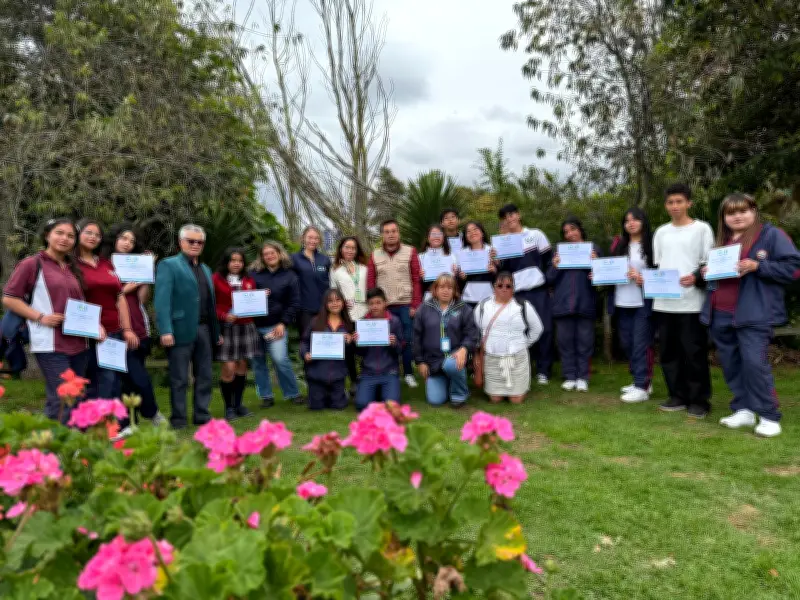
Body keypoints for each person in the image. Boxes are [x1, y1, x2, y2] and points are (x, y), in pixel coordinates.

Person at [701, 193, 800, 438]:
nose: (737, 216)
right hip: (721, 313)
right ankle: (743, 409)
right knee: (732, 364)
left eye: (743, 210)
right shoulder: (721, 241)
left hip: (754, 313)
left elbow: (794, 269)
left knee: (754, 363)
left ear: (754, 212)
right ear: (723, 218)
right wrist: (706, 272)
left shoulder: (771, 235)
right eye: (731, 213)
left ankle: (768, 415)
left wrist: (758, 266)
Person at [2, 218, 90, 423]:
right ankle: (51, 448)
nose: (65, 239)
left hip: (79, 343)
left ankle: (69, 447)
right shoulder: (32, 264)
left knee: (74, 396)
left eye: (70, 236)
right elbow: (9, 298)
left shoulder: (72, 267)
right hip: (50, 343)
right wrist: (41, 317)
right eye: (59, 233)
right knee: (61, 397)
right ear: (47, 235)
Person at [653, 183, 714, 418]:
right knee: (669, 352)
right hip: (664, 301)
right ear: (666, 205)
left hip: (691, 302)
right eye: (670, 202)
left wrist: (696, 277)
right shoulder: (661, 232)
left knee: (693, 352)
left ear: (689, 203)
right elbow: (659, 265)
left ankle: (699, 400)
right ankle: (677, 395)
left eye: (679, 201)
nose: (675, 206)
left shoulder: (702, 229)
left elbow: (708, 263)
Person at [154, 224, 222, 429]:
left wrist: (216, 332)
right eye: (191, 241)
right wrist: (165, 330)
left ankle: (202, 414)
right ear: (180, 242)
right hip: (179, 329)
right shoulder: (169, 265)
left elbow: (211, 304)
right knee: (179, 377)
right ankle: (179, 418)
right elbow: (162, 301)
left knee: (205, 376)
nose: (195, 245)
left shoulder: (206, 269)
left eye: (199, 242)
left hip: (204, 330)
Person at [99, 223, 163, 436]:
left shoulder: (136, 265)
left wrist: (146, 272)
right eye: (124, 238)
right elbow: (107, 295)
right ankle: (139, 418)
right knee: (120, 378)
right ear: (115, 239)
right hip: (112, 327)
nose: (127, 243)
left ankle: (140, 417)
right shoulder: (102, 265)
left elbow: (142, 299)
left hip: (137, 325)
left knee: (137, 376)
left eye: (132, 241)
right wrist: (126, 287)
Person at [75, 219, 137, 401]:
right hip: (89, 334)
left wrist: (126, 329)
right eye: (88, 232)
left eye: (97, 235)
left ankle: (112, 425)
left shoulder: (105, 264)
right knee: (100, 381)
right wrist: (92, 326)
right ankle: (95, 423)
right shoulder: (71, 265)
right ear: (77, 233)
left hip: (114, 332)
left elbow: (119, 297)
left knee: (114, 381)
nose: (93, 237)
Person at [497, 203, 554, 385]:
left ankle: (544, 371)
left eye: (512, 214)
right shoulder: (502, 243)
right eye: (506, 216)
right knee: (520, 331)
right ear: (503, 221)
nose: (510, 218)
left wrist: (548, 281)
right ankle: (525, 368)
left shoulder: (535, 235)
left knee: (544, 329)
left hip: (538, 291)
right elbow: (502, 271)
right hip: (517, 294)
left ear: (519, 215)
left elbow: (550, 261)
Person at [367, 219, 422, 388]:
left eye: (394, 231)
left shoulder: (410, 252)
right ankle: (392, 373)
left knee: (406, 340)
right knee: (386, 340)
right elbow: (371, 281)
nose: (391, 234)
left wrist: (415, 305)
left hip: (405, 304)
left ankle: (408, 373)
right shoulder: (374, 255)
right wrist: (373, 306)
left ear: (399, 233)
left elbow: (416, 279)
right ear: (382, 235)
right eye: (387, 232)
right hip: (385, 307)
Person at [548, 217, 601, 392]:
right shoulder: (558, 252)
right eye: (566, 232)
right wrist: (554, 266)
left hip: (585, 303)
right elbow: (549, 279)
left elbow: (602, 278)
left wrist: (595, 263)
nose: (570, 234)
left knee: (585, 342)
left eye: (573, 229)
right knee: (565, 342)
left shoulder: (593, 249)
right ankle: (570, 376)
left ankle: (583, 377)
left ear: (580, 230)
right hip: (562, 304)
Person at [474, 271, 543, 404]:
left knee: (515, 400)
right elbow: (475, 328)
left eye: (508, 286)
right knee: (495, 399)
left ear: (513, 288)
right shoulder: (483, 307)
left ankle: (517, 390)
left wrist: (523, 344)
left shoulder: (523, 306)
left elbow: (537, 329)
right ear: (494, 287)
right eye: (500, 286)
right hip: (492, 359)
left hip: (517, 359)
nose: (504, 289)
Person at [610, 208, 656, 403]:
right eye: (627, 220)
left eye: (635, 219)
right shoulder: (619, 245)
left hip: (642, 302)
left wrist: (642, 278)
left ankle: (641, 386)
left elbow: (661, 272)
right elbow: (609, 269)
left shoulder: (652, 244)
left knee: (640, 344)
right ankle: (642, 379)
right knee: (627, 343)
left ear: (643, 221)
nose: (631, 223)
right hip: (621, 301)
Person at [249, 241, 303, 407]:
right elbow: (244, 296)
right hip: (254, 326)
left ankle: (293, 393)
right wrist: (255, 294)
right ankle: (266, 396)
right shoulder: (253, 274)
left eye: (272, 253)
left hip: (276, 325)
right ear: (262, 257)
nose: (269, 256)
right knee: (258, 362)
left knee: (280, 359)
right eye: (266, 254)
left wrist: (283, 323)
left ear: (280, 254)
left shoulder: (290, 275)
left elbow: (295, 302)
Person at [413, 274, 479, 408]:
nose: (445, 290)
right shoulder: (424, 309)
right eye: (442, 287)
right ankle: (449, 381)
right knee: (435, 400)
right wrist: (420, 361)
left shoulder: (464, 308)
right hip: (433, 362)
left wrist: (464, 349)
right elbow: (416, 337)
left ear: (455, 290)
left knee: (451, 364)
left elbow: (472, 334)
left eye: (450, 287)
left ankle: (459, 394)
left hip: (454, 358)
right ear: (435, 289)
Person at [213, 248, 260, 421]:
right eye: (233, 260)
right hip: (226, 327)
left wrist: (260, 298)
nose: (236, 263)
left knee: (241, 366)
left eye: (239, 260)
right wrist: (224, 315)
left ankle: (239, 405)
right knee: (229, 368)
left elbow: (253, 302)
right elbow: (212, 304)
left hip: (246, 326)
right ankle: (229, 407)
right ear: (226, 262)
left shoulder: (248, 280)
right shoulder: (216, 279)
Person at [300, 289, 354, 410]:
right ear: (325, 304)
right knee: (316, 407)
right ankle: (318, 393)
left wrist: (350, 342)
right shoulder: (316, 321)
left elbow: (351, 353)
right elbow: (304, 341)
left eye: (338, 300)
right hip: (317, 373)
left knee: (338, 406)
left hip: (337, 374)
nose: (335, 303)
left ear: (343, 302)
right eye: (330, 301)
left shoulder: (348, 324)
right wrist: (305, 354)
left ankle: (340, 393)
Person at [329, 236, 369, 395]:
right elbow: (333, 293)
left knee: (366, 349)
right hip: (348, 315)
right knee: (349, 348)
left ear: (357, 250)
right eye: (347, 247)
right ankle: (354, 380)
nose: (350, 250)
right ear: (341, 249)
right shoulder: (335, 270)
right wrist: (343, 303)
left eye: (353, 247)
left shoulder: (365, 268)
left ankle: (367, 378)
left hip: (366, 314)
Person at [353, 288, 403, 410]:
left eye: (378, 303)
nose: (375, 306)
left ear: (385, 303)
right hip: (368, 373)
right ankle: (376, 392)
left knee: (392, 405)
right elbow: (360, 353)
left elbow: (400, 349)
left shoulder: (394, 322)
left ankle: (382, 393)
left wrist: (394, 343)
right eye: (371, 303)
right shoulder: (362, 323)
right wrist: (356, 343)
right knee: (361, 405)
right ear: (368, 305)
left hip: (389, 371)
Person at [292, 226, 332, 337]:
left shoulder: (325, 259)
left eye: (316, 238)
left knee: (325, 341)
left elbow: (331, 281)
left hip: (324, 309)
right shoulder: (294, 259)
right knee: (306, 341)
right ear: (303, 238)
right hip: (304, 309)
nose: (313, 241)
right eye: (310, 237)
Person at [458, 221, 498, 306]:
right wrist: (461, 277)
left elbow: (503, 275)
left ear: (482, 232)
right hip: (468, 300)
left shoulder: (492, 251)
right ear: (465, 236)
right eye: (468, 231)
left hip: (490, 299)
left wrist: (495, 271)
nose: (472, 233)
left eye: (475, 229)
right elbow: (458, 281)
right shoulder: (462, 254)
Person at [418, 224, 458, 298]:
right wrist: (419, 277)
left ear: (443, 237)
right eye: (433, 234)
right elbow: (416, 283)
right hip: (428, 297)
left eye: (439, 234)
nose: (436, 237)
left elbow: (456, 283)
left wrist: (456, 274)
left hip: (448, 298)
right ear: (428, 237)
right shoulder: (420, 257)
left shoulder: (452, 256)